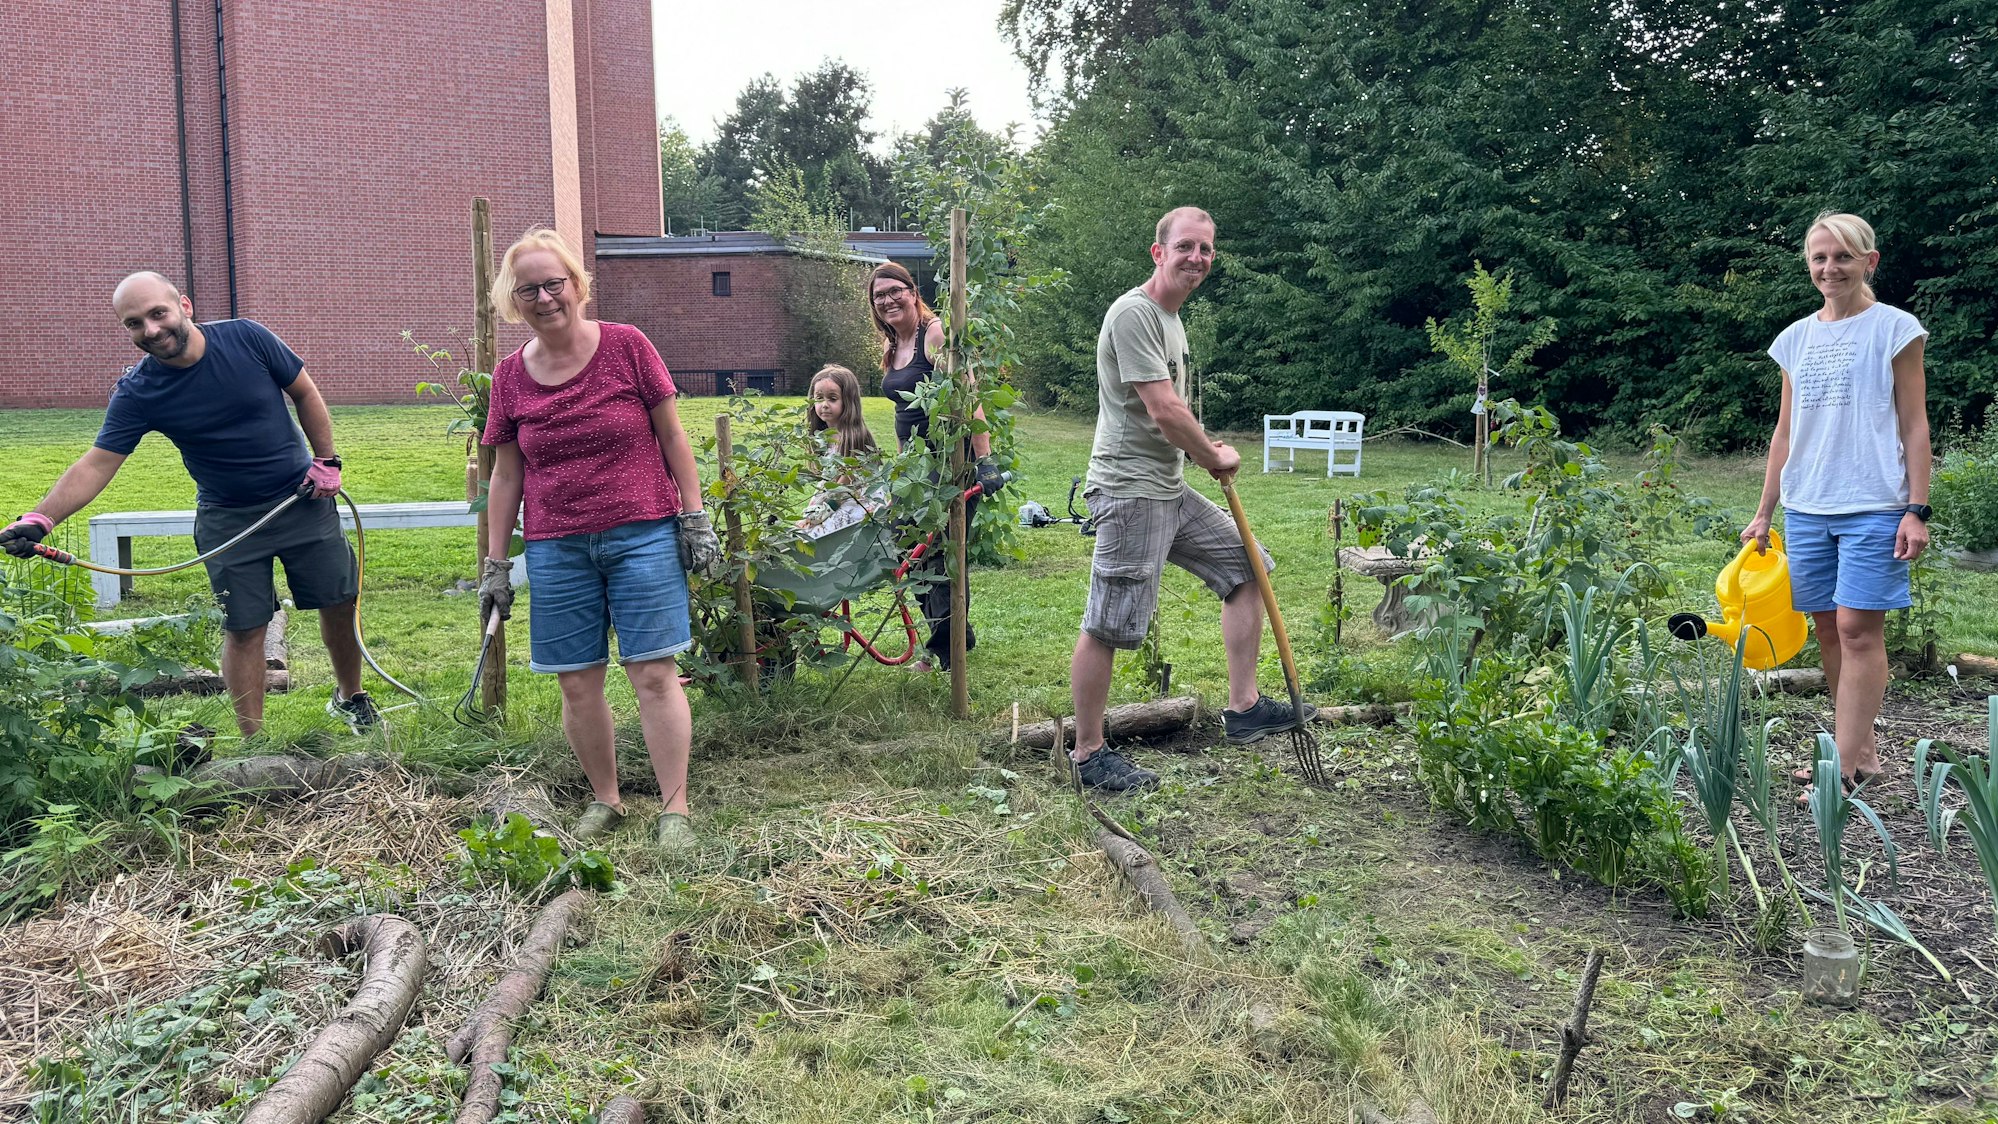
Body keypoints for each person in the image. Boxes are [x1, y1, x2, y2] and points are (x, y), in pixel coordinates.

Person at [0, 272, 372, 738]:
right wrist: (41, 518)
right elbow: (97, 463)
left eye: (158, 313)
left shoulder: (247, 338)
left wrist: (326, 460)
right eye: (134, 323)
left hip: (302, 499)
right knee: (245, 627)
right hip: (228, 520)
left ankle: (350, 698)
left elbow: (304, 391)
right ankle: (253, 741)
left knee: (338, 601)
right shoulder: (139, 391)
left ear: (185, 306)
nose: (151, 330)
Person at [476, 228, 721, 851]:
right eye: (528, 289)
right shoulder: (509, 377)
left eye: (553, 283)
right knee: (576, 681)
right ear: (512, 300)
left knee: (654, 674)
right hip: (557, 547)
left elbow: (673, 436)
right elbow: (505, 475)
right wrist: (496, 564)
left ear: (576, 285)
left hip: (643, 534)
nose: (544, 297)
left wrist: (695, 517)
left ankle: (674, 810)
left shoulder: (627, 346)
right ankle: (606, 799)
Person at [1068, 207, 1315, 792]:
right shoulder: (1134, 313)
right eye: (1185, 246)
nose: (1196, 258)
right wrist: (1211, 455)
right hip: (1130, 492)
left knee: (1248, 568)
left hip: (1167, 488)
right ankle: (1088, 754)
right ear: (1159, 252)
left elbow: (1173, 411)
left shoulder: (1171, 319)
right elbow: (1163, 409)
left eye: (1205, 249)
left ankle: (1245, 708)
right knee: (1109, 622)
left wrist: (1202, 447)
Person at [1741, 211, 1930, 803]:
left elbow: (1915, 423)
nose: (1831, 268)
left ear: (1869, 262)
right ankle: (1863, 754)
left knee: (1857, 630)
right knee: (1827, 626)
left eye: (1844, 256)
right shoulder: (1794, 339)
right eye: (1820, 257)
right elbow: (1785, 432)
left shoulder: (1895, 329)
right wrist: (1765, 511)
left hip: (1876, 503)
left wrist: (1917, 508)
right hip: (1807, 505)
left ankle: (1840, 772)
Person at [870, 262, 1007, 672]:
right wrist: (900, 469)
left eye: (895, 291)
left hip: (950, 461)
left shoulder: (934, 335)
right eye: (879, 296)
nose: (888, 300)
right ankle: (955, 634)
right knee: (909, 549)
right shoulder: (892, 344)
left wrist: (985, 460)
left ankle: (944, 649)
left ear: (913, 292)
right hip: (915, 468)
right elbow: (903, 415)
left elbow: (968, 396)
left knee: (943, 553)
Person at [798, 364, 884, 539]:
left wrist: (818, 516)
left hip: (856, 504)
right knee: (801, 532)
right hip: (836, 497)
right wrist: (810, 514)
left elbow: (844, 488)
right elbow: (828, 483)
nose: (824, 405)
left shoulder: (855, 437)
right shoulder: (824, 437)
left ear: (848, 401)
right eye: (819, 398)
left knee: (814, 536)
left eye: (832, 398)